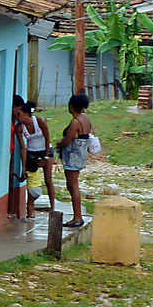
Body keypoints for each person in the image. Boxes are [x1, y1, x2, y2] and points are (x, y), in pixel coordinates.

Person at [55, 92, 95, 229]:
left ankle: (77, 217)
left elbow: (68, 140)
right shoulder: (86, 118)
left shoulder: (75, 122)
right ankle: (77, 216)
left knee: (72, 186)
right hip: (81, 154)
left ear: (72, 106)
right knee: (73, 185)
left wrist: (59, 144)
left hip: (73, 156)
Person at [13, 100, 53, 216]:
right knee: (31, 179)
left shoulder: (40, 122)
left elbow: (47, 138)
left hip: (45, 149)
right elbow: (23, 147)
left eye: (19, 114)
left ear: (26, 114)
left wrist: (46, 156)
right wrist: (24, 166)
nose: (17, 116)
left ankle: (52, 207)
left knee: (48, 179)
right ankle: (31, 210)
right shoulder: (19, 128)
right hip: (32, 152)